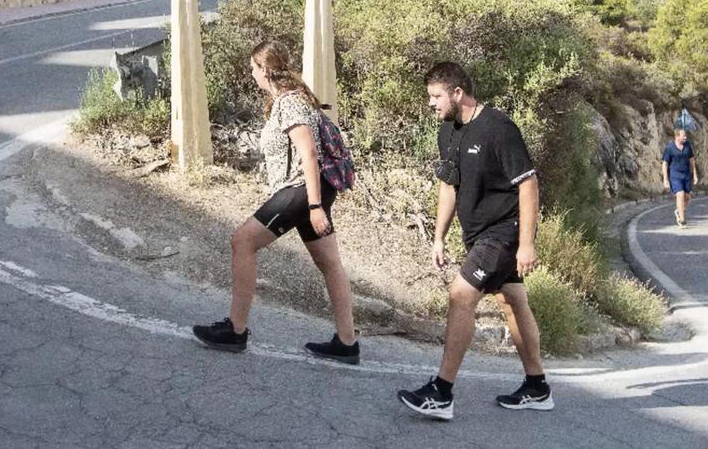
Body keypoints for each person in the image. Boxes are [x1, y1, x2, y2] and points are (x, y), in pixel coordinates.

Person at [398, 62, 552, 421]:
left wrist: (526, 243)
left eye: (436, 97)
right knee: (512, 301)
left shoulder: (499, 128)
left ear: (457, 93)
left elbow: (528, 184)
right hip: (478, 234)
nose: (431, 104)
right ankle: (537, 386)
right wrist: (438, 236)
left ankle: (441, 392)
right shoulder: (448, 131)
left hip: (505, 230)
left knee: (460, 295)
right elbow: (448, 184)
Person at [192, 40, 360, 364]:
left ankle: (236, 330)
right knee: (329, 263)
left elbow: (309, 153)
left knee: (242, 241)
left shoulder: (290, 102)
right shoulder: (292, 100)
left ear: (265, 69)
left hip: (300, 192)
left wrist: (313, 206)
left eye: (253, 67)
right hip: (310, 191)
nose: (251, 73)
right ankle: (346, 341)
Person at [661, 128, 699, 227]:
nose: (685, 137)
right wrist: (665, 179)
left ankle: (679, 211)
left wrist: (695, 174)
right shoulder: (670, 148)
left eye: (686, 136)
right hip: (675, 175)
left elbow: (692, 160)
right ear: (677, 136)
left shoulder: (688, 146)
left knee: (687, 197)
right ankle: (682, 221)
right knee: (680, 194)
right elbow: (665, 163)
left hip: (686, 174)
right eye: (683, 136)